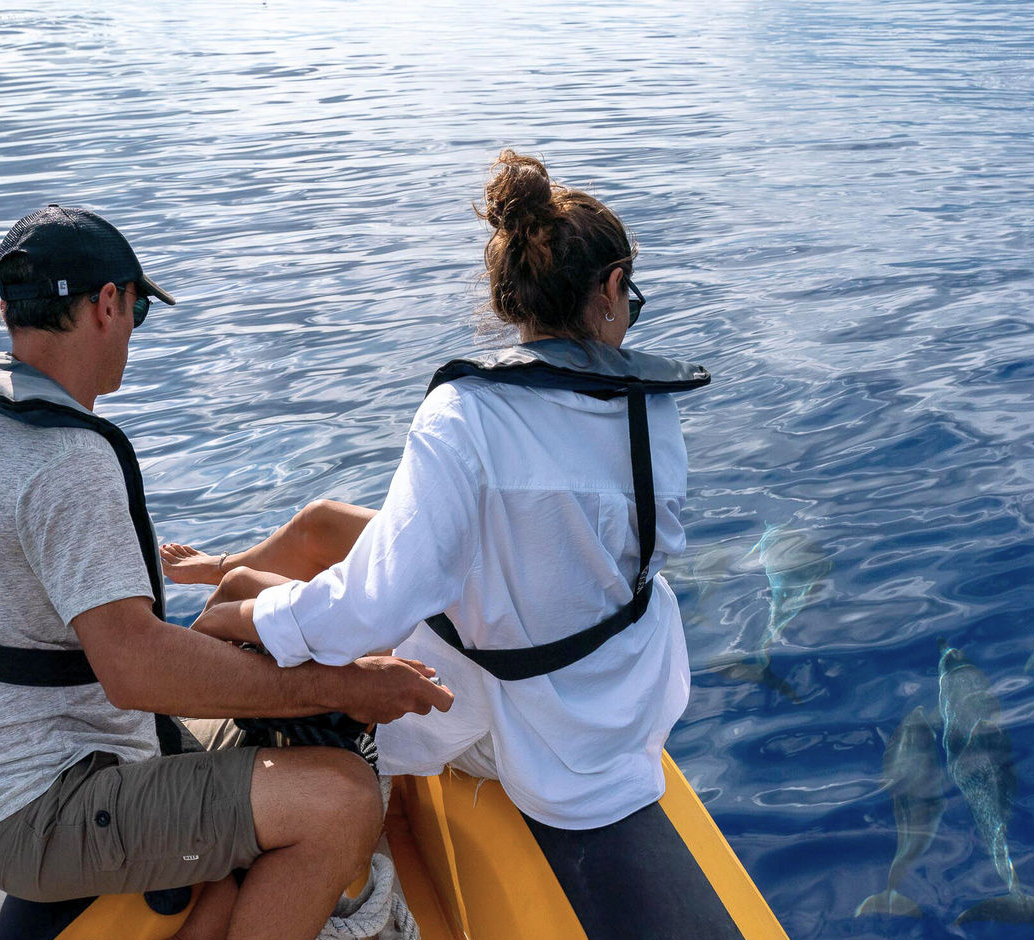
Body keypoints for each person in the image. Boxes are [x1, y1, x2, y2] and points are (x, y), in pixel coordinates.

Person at [0, 205, 452, 940]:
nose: (134, 333)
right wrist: (342, 685)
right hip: (45, 809)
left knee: (279, 711)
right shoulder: (66, 460)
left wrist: (293, 672)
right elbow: (136, 669)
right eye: (138, 313)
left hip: (43, 767)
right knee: (342, 801)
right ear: (109, 305)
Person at [181, 151, 708, 832]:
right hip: (628, 708)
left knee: (251, 605)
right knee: (340, 530)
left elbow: (373, 607)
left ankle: (233, 589)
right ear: (610, 288)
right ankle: (240, 576)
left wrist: (260, 617)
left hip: (526, 734)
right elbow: (645, 550)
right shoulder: (650, 412)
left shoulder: (466, 412)